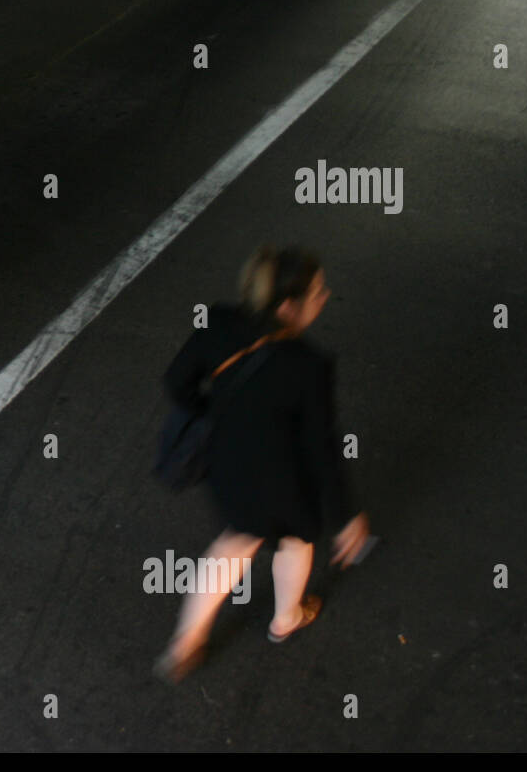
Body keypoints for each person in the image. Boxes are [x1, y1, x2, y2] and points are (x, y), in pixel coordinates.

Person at [154, 245, 371, 683]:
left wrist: (211, 410)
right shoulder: (309, 365)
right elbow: (321, 446)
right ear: (288, 307)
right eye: (317, 292)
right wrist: (347, 515)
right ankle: (285, 618)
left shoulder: (216, 323)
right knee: (294, 541)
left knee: (234, 543)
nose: (324, 297)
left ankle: (186, 641)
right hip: (286, 477)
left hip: (227, 466)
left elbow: (177, 381)